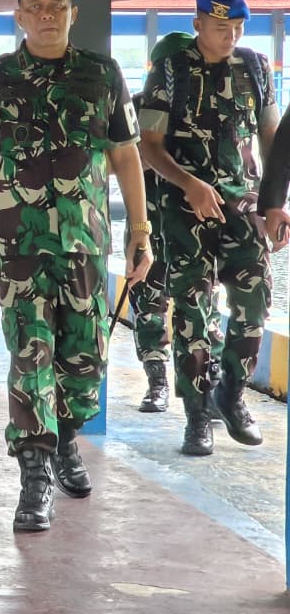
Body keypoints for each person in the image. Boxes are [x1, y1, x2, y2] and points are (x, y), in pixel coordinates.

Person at [0, 0, 152, 533]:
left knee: (86, 359)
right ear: (19, 16)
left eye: (58, 6)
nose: (48, 15)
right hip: (18, 246)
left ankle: (66, 439)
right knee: (30, 353)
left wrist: (140, 230)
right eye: (36, 8)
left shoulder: (102, 75)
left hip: (85, 244)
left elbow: (126, 155)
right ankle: (34, 474)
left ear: (73, 14)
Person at [137, 0, 288, 456]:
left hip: (242, 206)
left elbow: (270, 137)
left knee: (253, 303)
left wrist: (274, 203)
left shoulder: (256, 68)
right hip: (183, 208)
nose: (231, 36)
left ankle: (232, 394)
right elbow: (149, 146)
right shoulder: (170, 69)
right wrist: (189, 184)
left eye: (239, 27)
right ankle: (197, 415)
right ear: (198, 23)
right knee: (191, 314)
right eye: (222, 27)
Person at [126, 91, 171, 413]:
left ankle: (204, 389)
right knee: (147, 307)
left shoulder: (193, 111)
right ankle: (158, 384)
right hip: (147, 224)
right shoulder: (137, 106)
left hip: (190, 227)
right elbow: (123, 160)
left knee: (202, 310)